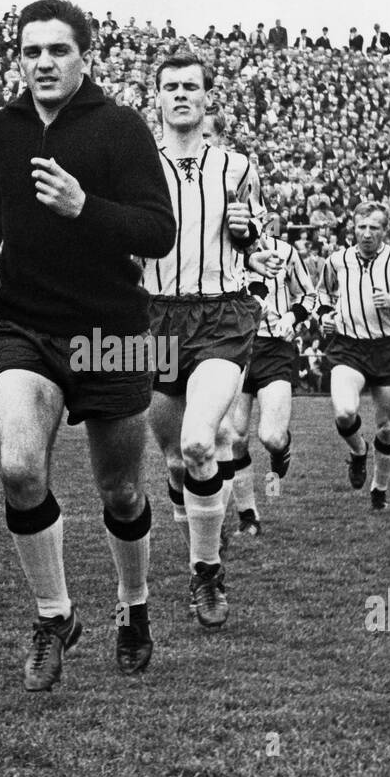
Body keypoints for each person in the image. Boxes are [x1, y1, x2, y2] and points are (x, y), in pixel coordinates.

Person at [0, 0, 174, 690]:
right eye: (30, 52)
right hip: (28, 327)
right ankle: (55, 615)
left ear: (85, 57)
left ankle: (133, 609)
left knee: (123, 492)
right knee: (20, 469)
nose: (43, 62)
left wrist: (87, 208)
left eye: (57, 50)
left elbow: (157, 232)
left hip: (114, 334)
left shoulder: (121, 127)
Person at [144, 54, 269, 628]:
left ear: (206, 98)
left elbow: (257, 239)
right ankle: (201, 527)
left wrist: (248, 233)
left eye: (191, 86)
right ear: (158, 98)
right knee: (173, 459)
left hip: (222, 315)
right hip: (152, 318)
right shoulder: (136, 165)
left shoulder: (239, 167)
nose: (180, 95)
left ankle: (207, 573)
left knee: (200, 442)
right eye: (170, 87)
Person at [318, 202, 390, 510]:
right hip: (348, 345)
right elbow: (322, 293)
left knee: (387, 427)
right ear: (353, 227)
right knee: (344, 412)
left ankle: (379, 489)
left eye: (374, 228)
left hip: (387, 347)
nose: (366, 234)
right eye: (361, 227)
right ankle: (359, 451)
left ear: (384, 231)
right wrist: (327, 314)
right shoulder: (337, 260)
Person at [222, 213, 317, 536]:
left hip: (274, 348)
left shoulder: (285, 253)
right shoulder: (221, 252)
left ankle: (281, 450)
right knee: (235, 437)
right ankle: (249, 516)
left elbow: (309, 295)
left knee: (271, 436)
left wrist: (292, 315)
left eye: (256, 219)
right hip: (233, 347)